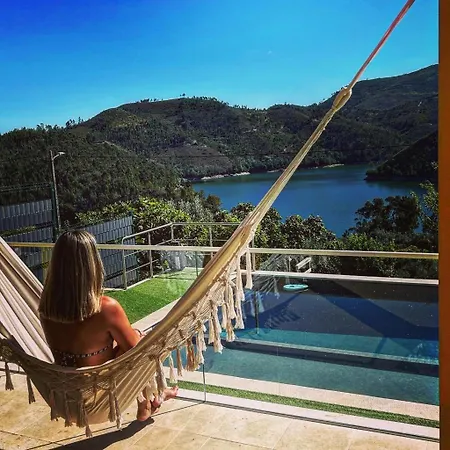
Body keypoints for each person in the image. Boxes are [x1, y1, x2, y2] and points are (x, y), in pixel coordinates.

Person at [38, 230, 178, 421]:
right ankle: (150, 400)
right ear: (93, 264)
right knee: (141, 342)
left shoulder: (46, 307)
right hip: (98, 394)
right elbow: (138, 352)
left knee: (128, 341)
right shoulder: (105, 308)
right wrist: (137, 336)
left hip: (65, 392)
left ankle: (155, 397)